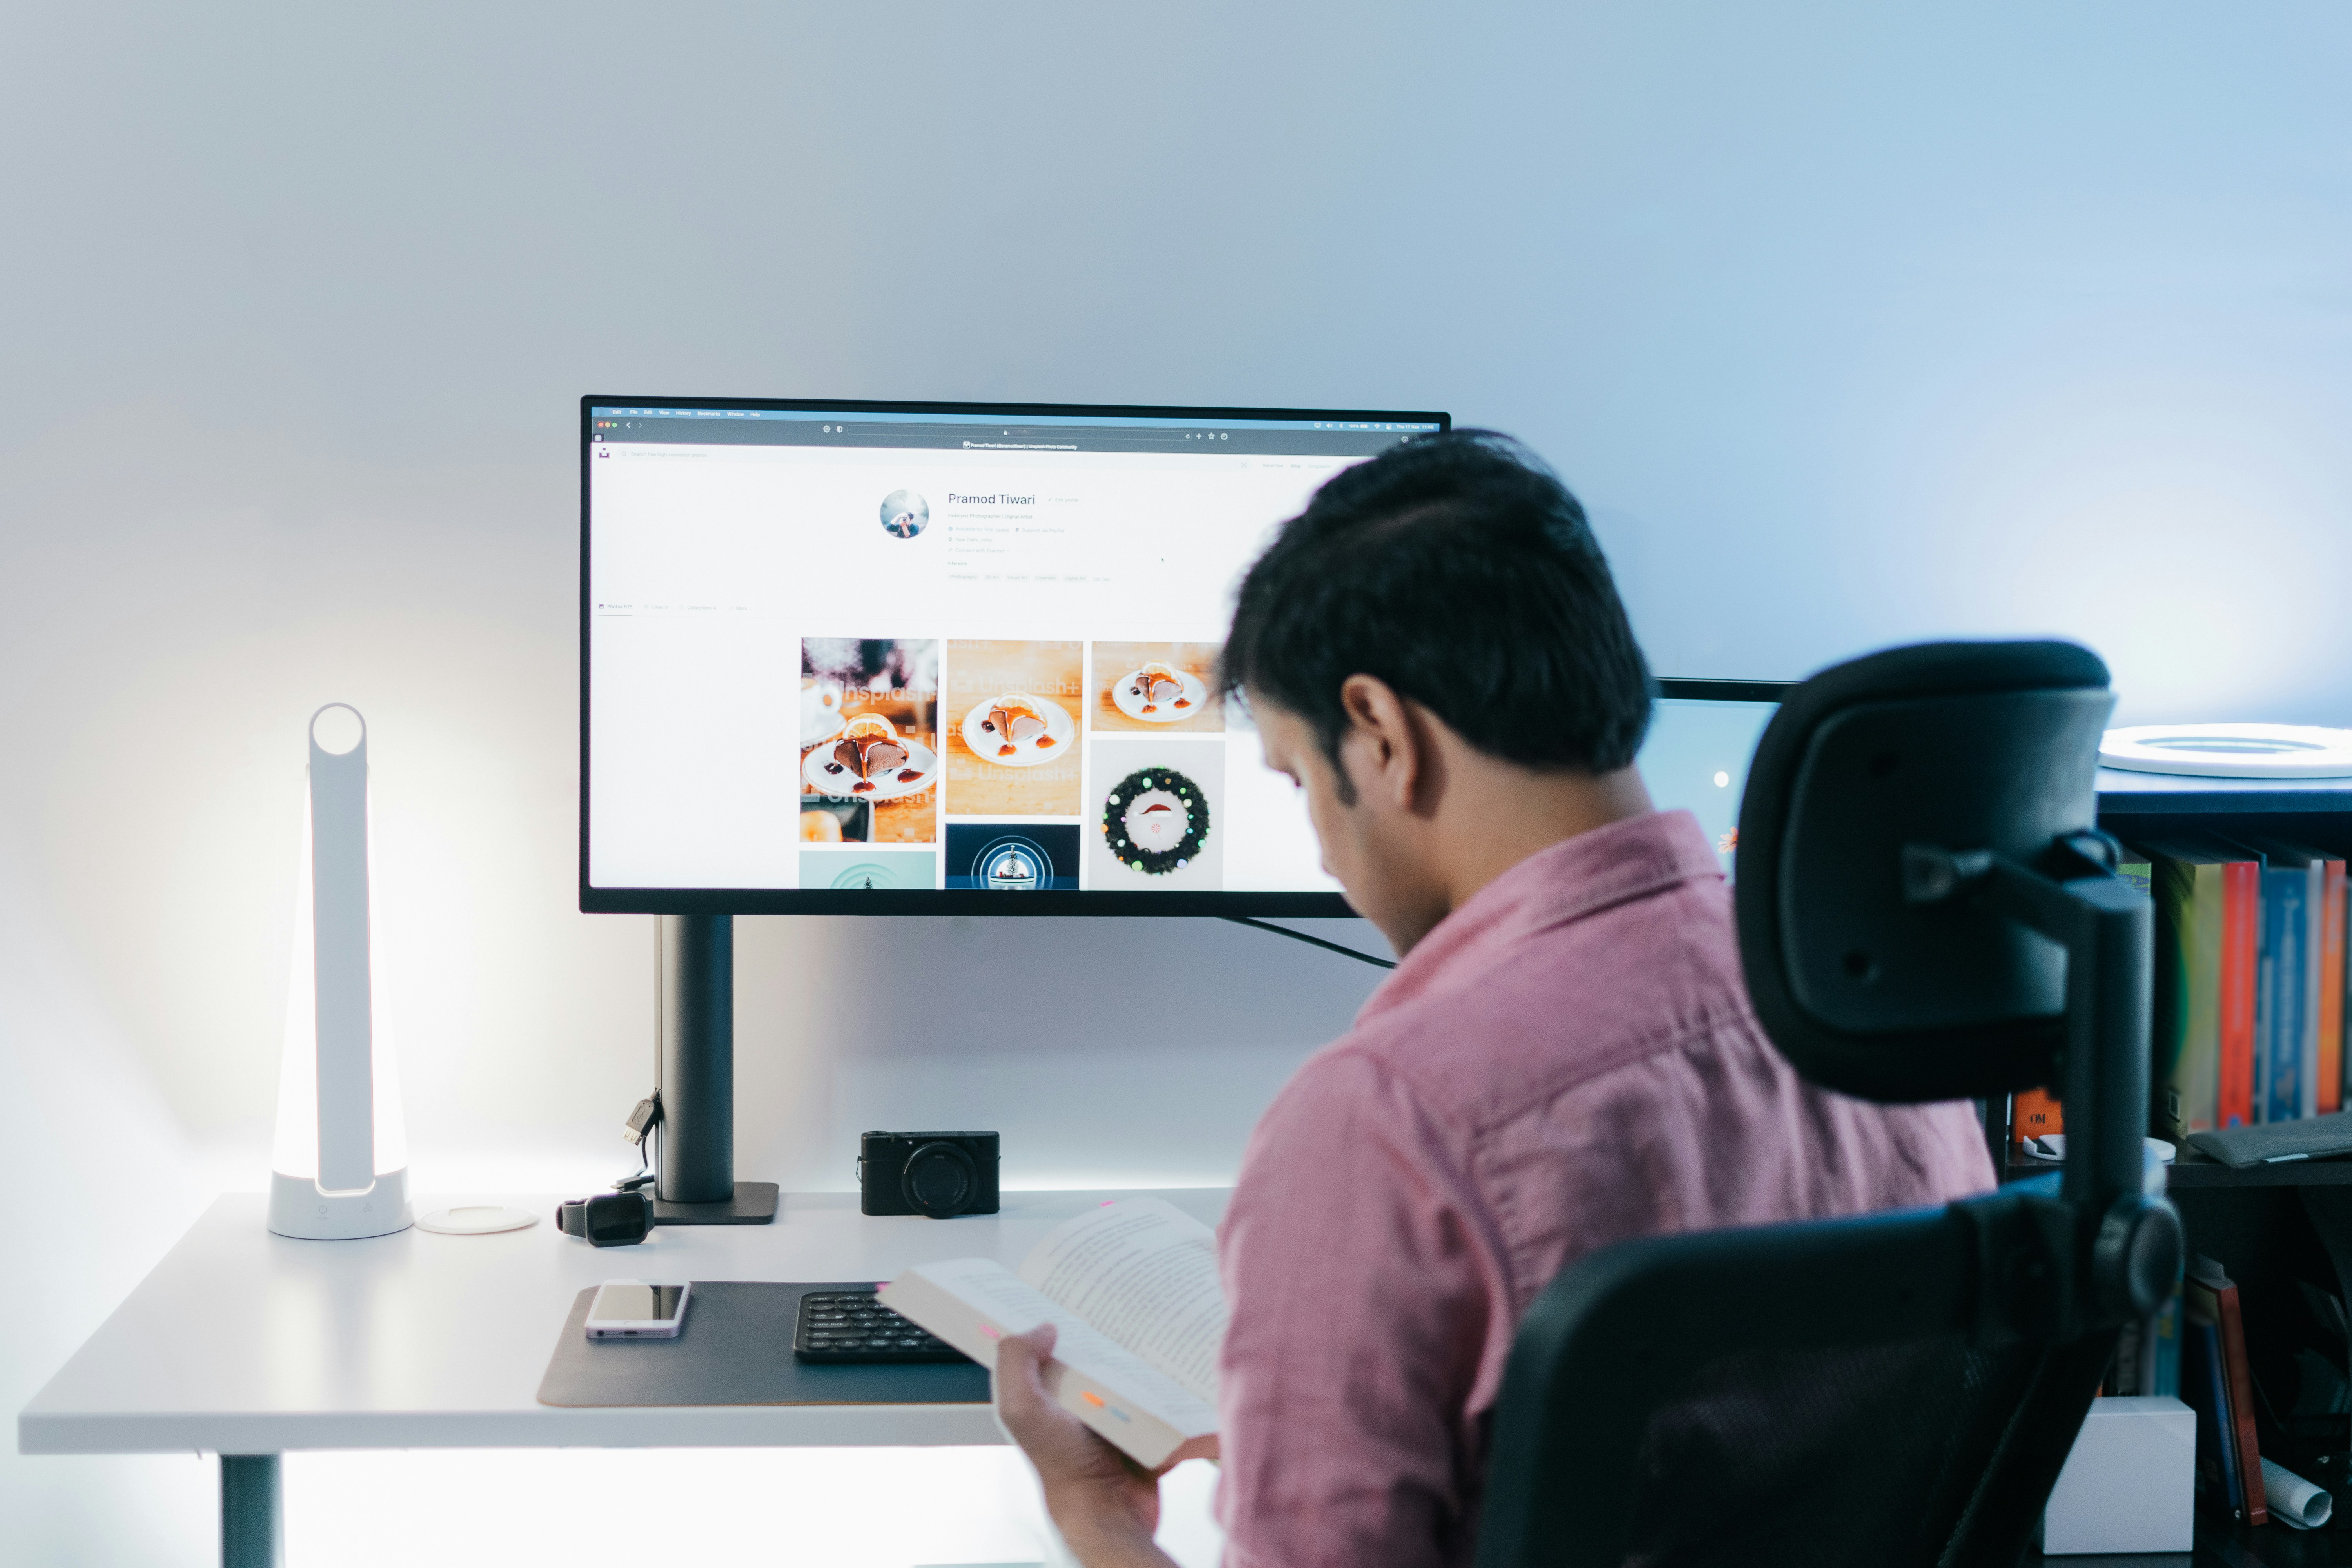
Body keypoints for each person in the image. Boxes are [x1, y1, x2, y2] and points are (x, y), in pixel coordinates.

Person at [993, 432, 1994, 1568]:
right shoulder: (1880, 1031)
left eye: (1299, 777)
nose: (1321, 850)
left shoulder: (1386, 1122)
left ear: (1381, 734)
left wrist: (1096, 1516)